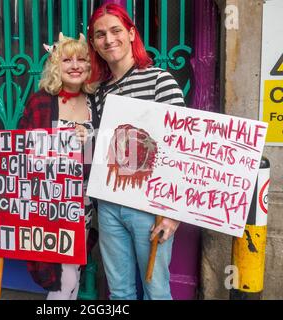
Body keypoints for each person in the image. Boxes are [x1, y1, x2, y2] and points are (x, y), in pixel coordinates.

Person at [87, 3, 186, 300]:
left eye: (116, 30)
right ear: (94, 43)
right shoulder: (100, 91)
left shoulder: (159, 80)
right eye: (100, 34)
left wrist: (171, 213)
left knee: (156, 291)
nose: (109, 39)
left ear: (131, 34)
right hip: (108, 205)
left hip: (149, 209)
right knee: (119, 293)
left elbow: (180, 149)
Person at [18, 32, 98, 300]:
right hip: (48, 202)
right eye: (67, 60)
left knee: (72, 267)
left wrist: (91, 138)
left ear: (90, 66)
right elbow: (20, 149)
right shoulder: (40, 101)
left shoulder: (95, 103)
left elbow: (110, 152)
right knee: (61, 273)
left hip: (83, 203)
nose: (75, 65)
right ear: (56, 65)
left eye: (82, 59)